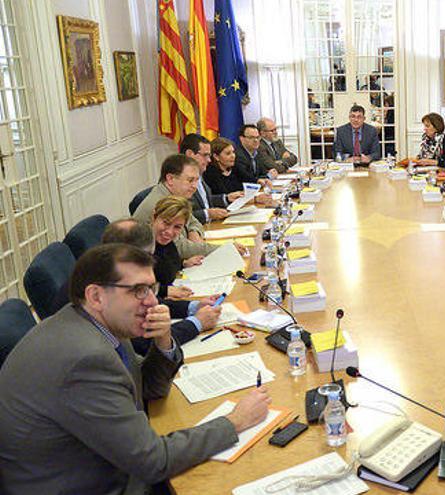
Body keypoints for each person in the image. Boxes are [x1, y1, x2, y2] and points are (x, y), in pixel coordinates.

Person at [0, 243, 271, 494]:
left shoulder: (95, 324)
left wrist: (163, 340)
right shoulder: (84, 360)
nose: (153, 302)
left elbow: (146, 390)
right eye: (138, 290)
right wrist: (235, 421)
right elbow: (153, 461)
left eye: (152, 289)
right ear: (96, 296)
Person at [49, 218, 222, 356]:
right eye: (149, 257)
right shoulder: (100, 292)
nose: (152, 300)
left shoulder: (104, 270)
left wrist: (192, 307)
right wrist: (196, 323)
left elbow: (146, 301)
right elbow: (143, 342)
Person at [132, 154, 217, 259]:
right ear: (170, 179)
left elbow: (194, 221)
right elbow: (180, 249)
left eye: (196, 180)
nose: (195, 187)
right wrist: (223, 249)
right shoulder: (161, 203)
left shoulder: (175, 197)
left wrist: (193, 232)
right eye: (190, 180)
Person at [180, 133, 243, 224]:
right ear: (190, 154)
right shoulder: (178, 178)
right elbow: (178, 214)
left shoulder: (200, 173)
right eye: (205, 155)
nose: (209, 160)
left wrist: (226, 198)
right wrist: (207, 214)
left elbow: (203, 201)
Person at [203, 137, 273, 206]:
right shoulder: (210, 173)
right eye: (228, 153)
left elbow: (249, 179)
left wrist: (260, 181)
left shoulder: (234, 166)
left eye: (233, 152)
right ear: (216, 157)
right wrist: (255, 199)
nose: (233, 156)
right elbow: (229, 198)